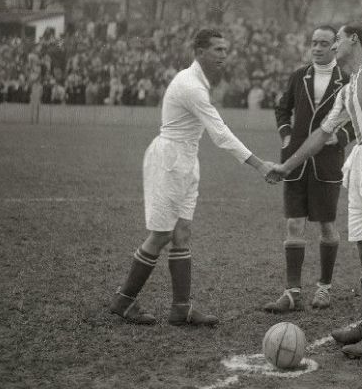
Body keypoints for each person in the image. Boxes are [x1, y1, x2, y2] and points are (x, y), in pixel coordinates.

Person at [268, 21, 362, 358]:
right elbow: (321, 135)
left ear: (353, 39)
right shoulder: (349, 87)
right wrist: (287, 165)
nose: (333, 45)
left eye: (337, 39)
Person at [110, 28, 276, 327]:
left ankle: (181, 309)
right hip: (170, 160)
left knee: (182, 232)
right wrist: (259, 164)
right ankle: (124, 300)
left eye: (226, 50)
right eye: (217, 50)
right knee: (161, 234)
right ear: (199, 52)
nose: (223, 55)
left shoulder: (199, 82)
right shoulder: (190, 86)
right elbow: (220, 133)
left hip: (186, 159)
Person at [263, 25, 354, 313]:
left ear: (335, 47)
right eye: (314, 42)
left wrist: (339, 138)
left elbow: (359, 120)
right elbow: (282, 108)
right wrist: (287, 135)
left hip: (327, 163)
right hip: (295, 161)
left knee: (326, 225)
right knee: (294, 223)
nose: (317, 48)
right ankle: (292, 292)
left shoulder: (348, 81)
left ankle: (324, 288)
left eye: (324, 43)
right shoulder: (299, 75)